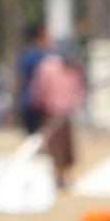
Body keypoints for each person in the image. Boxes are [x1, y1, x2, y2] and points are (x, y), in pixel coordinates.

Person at [29, 45, 84, 184]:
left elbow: (78, 91)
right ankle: (56, 177)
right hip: (51, 112)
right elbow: (40, 90)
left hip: (64, 113)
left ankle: (62, 176)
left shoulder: (74, 70)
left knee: (64, 147)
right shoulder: (48, 68)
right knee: (55, 147)